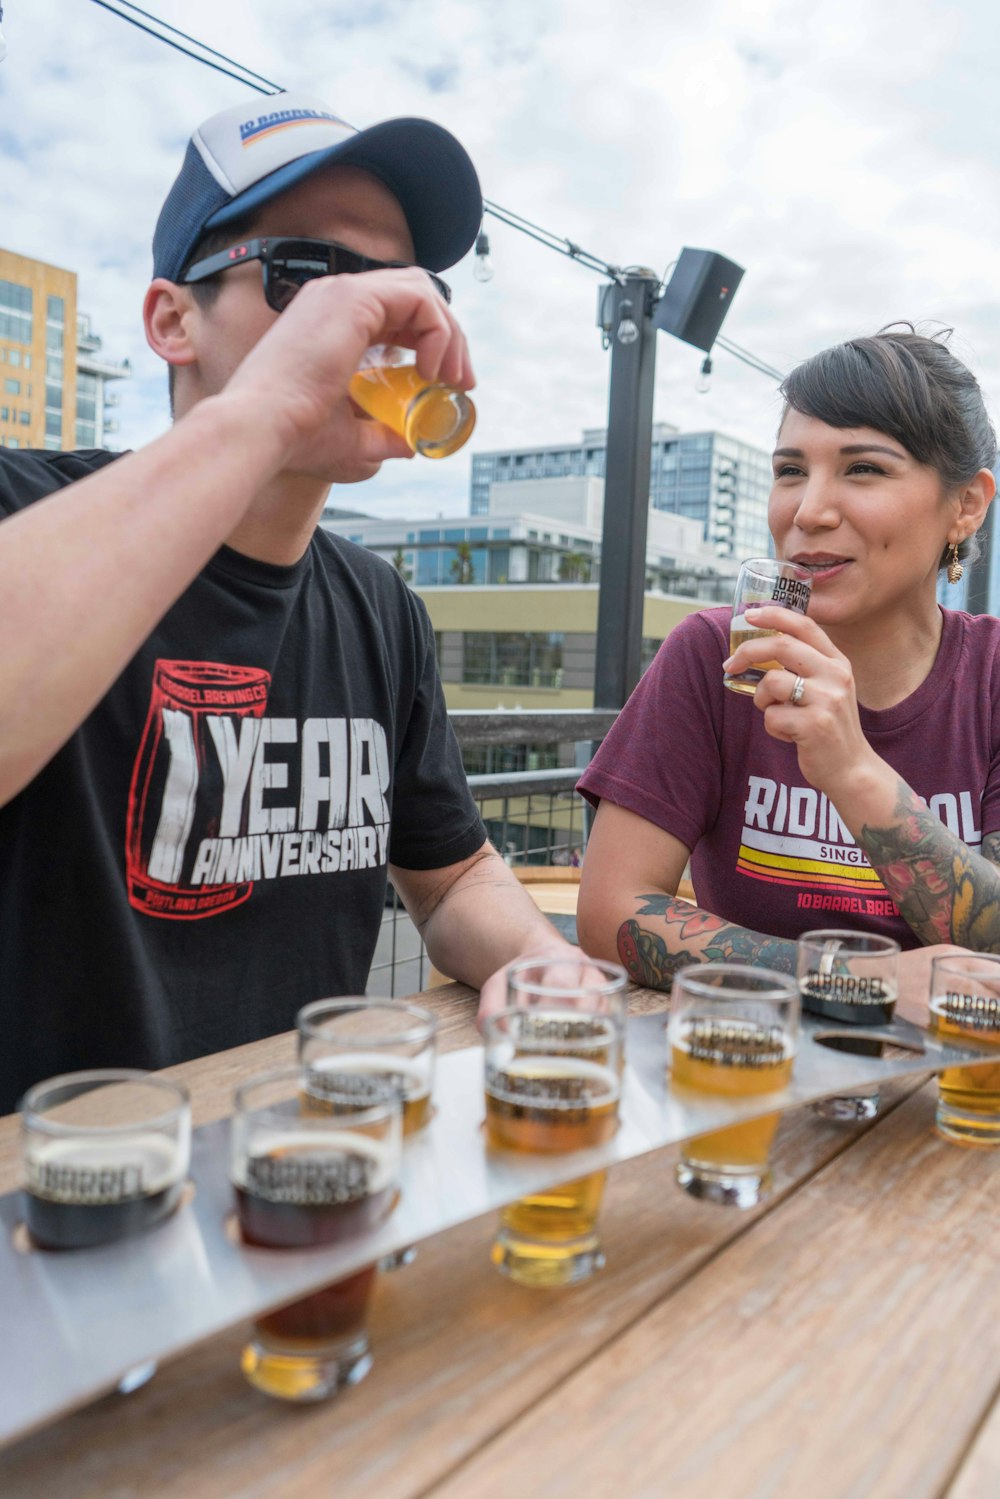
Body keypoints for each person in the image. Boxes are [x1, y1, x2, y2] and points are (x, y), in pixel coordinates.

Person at [0, 93, 574, 1113]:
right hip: (56, 1210)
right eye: (309, 274)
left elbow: (449, 877)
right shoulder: (30, 515)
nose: (371, 322)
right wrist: (264, 411)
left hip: (307, 1169)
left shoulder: (379, 605)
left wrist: (534, 955)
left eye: (404, 289)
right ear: (172, 319)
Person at [577, 327, 998, 1013]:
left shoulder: (991, 678)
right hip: (744, 1067)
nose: (807, 511)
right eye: (791, 470)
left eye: (863, 468)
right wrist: (861, 979)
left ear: (966, 505)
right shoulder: (717, 655)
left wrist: (853, 770)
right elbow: (610, 915)